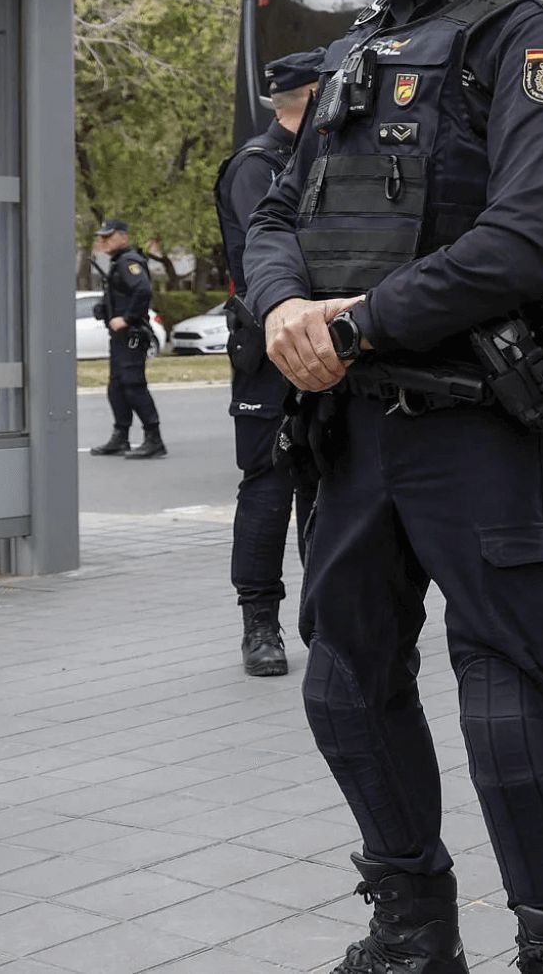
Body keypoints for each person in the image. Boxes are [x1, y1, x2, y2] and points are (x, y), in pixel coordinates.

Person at [242, 0, 543, 972]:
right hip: (354, 430)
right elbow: (273, 208)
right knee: (344, 684)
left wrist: (354, 324)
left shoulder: (538, 37)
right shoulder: (362, 44)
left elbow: (526, 240)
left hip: (482, 426)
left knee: (507, 703)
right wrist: (284, 306)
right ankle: (412, 929)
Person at [216, 48, 324, 677]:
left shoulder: (319, 157)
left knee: (322, 481)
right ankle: (260, 624)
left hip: (321, 339)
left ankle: (325, 617)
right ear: (309, 99)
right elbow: (274, 255)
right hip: (268, 348)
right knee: (269, 485)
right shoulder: (257, 166)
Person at [88, 219, 165, 460]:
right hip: (120, 337)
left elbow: (143, 290)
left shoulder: (129, 261)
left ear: (123, 236)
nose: (103, 241)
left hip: (132, 334)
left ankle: (154, 439)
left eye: (108, 236)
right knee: (117, 387)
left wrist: (127, 318)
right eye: (101, 237)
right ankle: (120, 436)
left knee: (132, 385)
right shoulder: (118, 262)